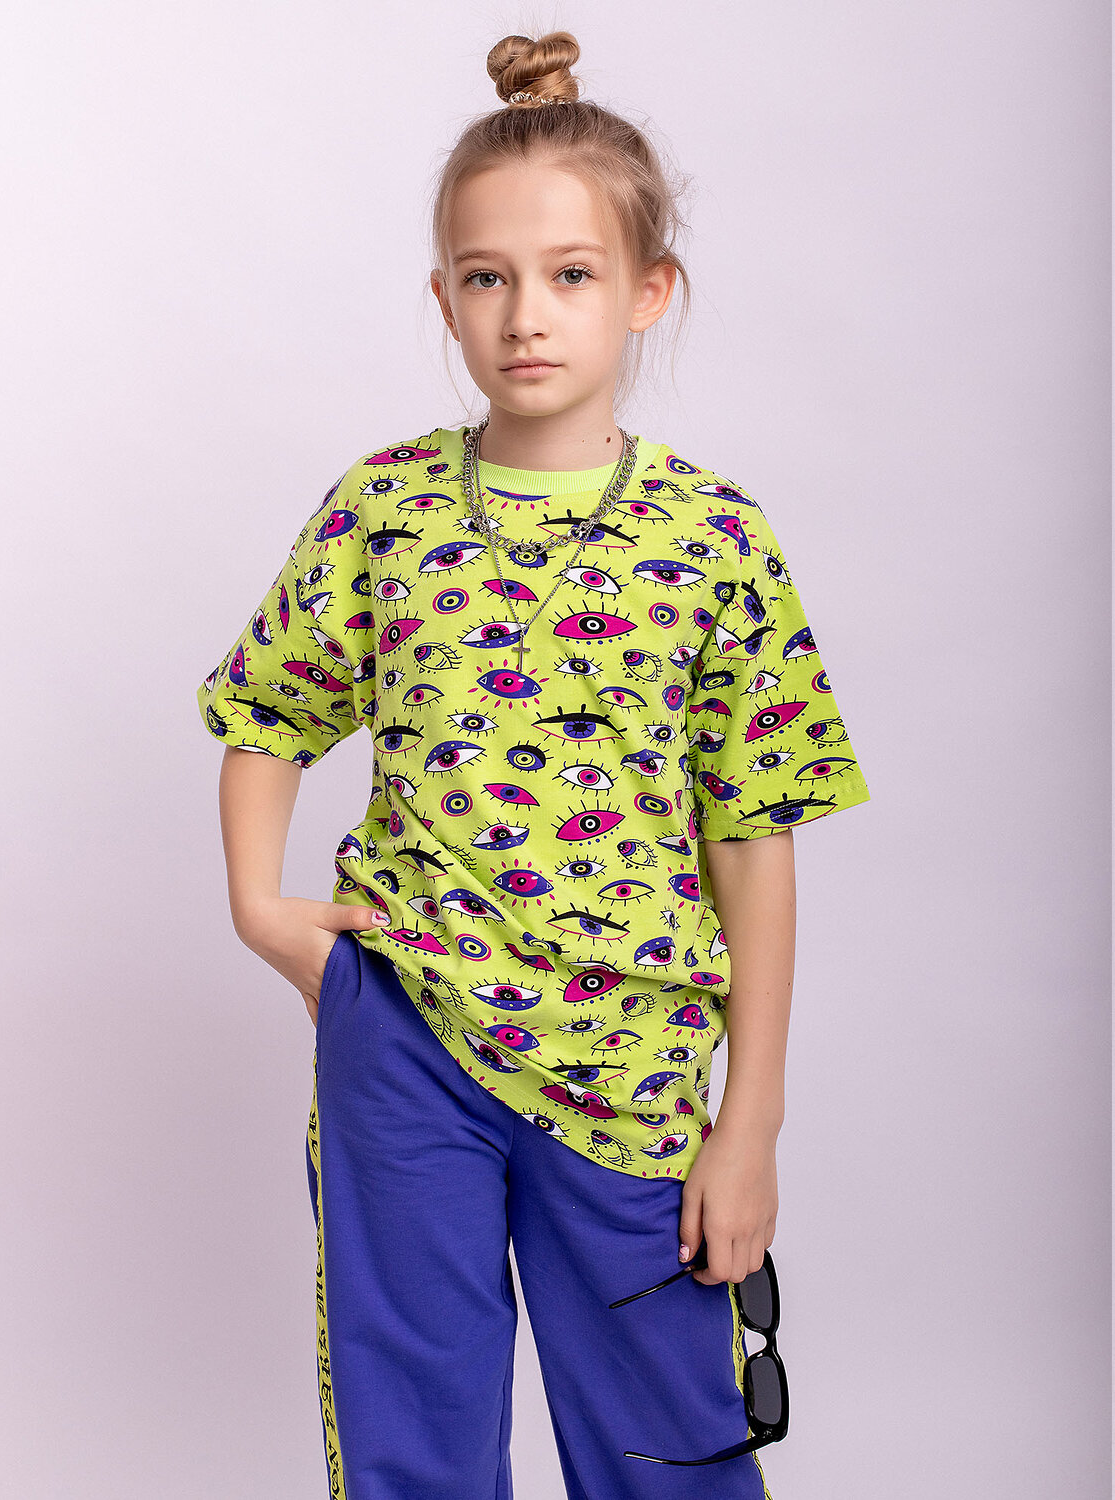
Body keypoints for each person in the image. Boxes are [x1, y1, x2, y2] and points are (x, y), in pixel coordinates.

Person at [195, 29, 871, 1500]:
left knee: (665, 1438)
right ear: (444, 297)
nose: (526, 316)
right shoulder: (383, 509)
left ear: (646, 291)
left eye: (570, 274)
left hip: (628, 1054)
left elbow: (755, 831)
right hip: (404, 1035)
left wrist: (749, 1120)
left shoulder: (715, 538)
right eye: (487, 278)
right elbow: (267, 709)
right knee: (415, 1422)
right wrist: (260, 906)